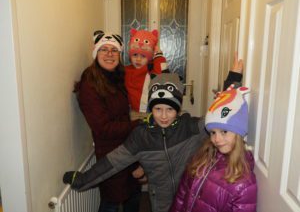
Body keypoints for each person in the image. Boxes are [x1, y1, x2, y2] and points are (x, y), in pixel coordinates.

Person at [64, 60, 243, 212]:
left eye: (170, 109)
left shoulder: (190, 127)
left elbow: (220, 114)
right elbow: (112, 162)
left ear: (178, 109)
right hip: (160, 203)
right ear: (151, 109)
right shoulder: (141, 136)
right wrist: (81, 180)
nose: (163, 116)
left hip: (190, 196)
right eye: (158, 109)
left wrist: (233, 80)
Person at [73, 30, 141, 212]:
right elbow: (102, 128)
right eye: (104, 49)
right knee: (111, 203)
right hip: (111, 156)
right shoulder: (90, 83)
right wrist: (138, 125)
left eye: (114, 50)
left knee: (133, 197)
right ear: (96, 53)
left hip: (128, 148)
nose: (109, 54)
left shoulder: (117, 77)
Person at [169, 86, 257, 212]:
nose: (217, 139)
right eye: (212, 132)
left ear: (239, 133)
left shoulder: (244, 182)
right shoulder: (200, 159)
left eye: (224, 131)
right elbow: (181, 197)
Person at [125, 28, 168, 121]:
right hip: (132, 112)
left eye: (143, 56)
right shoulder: (126, 70)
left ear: (149, 58)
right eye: (135, 55)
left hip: (150, 112)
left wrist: (159, 55)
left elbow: (163, 73)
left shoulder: (151, 69)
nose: (138, 59)